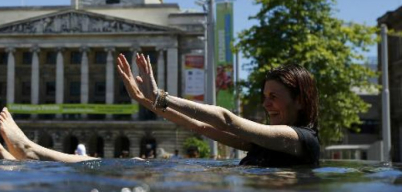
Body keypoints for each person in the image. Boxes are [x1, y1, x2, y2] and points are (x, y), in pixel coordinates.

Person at [117, 53, 320, 167]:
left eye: (273, 97)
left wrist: (161, 96)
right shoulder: (262, 143)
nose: (266, 105)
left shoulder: (302, 139)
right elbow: (198, 125)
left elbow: (226, 120)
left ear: (300, 101)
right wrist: (144, 99)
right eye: (265, 97)